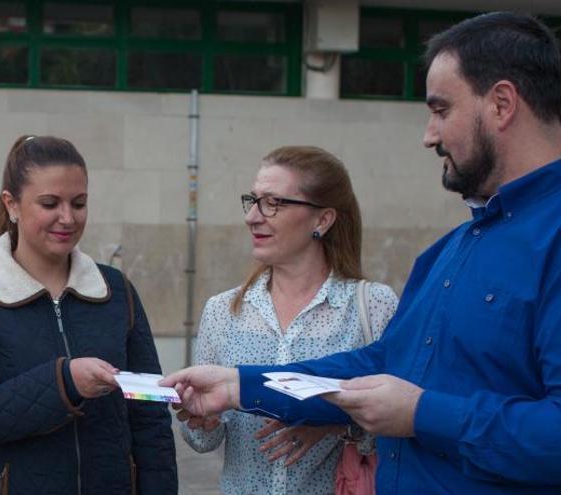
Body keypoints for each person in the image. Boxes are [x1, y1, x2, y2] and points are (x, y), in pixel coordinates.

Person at [161, 12, 561, 494]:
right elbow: (380, 365)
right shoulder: (448, 253)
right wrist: (240, 386)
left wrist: (420, 414)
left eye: (440, 109)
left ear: (501, 104)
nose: (428, 135)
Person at [0, 135, 177, 494]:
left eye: (78, 203)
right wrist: (64, 383)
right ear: (12, 204)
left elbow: (151, 415)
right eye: (50, 203)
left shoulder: (116, 291)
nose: (67, 218)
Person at [179, 147, 397, 494]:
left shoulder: (372, 306)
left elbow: (402, 419)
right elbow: (203, 442)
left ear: (322, 220)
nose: (252, 216)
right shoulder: (223, 310)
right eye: (253, 200)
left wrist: (330, 423)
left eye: (273, 203)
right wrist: (202, 420)